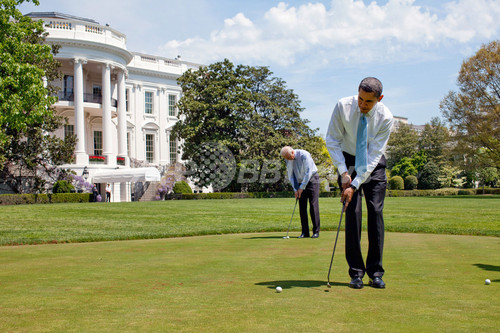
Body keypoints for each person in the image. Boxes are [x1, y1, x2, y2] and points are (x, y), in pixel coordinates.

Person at [325, 77, 393, 289]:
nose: (362, 105)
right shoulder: (342, 106)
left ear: (379, 99)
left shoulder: (386, 118)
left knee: (375, 212)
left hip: (373, 163)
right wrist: (344, 172)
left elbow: (373, 156)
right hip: (347, 160)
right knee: (352, 214)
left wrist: (355, 184)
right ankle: (356, 273)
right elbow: (332, 140)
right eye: (360, 99)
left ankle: (375, 273)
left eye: (368, 102)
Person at [281, 146, 320, 238]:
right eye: (286, 158)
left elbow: (308, 172)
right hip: (299, 182)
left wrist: (301, 187)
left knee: (313, 205)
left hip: (312, 179)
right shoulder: (287, 159)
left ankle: (316, 231)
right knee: (302, 207)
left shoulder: (304, 155)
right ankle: (305, 232)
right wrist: (295, 189)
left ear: (292, 153)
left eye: (289, 157)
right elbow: (290, 174)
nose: (288, 160)